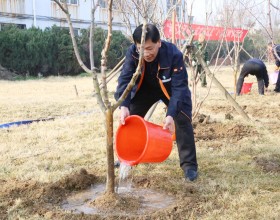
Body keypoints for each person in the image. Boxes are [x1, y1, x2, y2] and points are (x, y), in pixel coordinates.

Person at [114, 24, 198, 181]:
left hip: (170, 89)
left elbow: (179, 89)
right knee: (130, 116)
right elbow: (125, 79)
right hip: (144, 88)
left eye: (150, 48)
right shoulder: (132, 53)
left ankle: (189, 166)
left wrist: (170, 114)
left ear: (159, 42)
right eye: (141, 48)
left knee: (182, 118)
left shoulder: (173, 54)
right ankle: (128, 157)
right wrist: (124, 105)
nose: (146, 53)